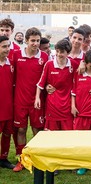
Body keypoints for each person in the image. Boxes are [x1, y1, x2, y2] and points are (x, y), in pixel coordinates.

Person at [12, 27, 48, 172]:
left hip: (37, 101)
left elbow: (47, 77)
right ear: (26, 41)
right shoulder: (16, 55)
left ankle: (37, 159)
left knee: (37, 130)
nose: (35, 43)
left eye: (38, 41)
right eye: (32, 40)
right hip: (20, 100)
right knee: (21, 129)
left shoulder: (44, 57)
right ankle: (22, 159)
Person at [71, 50, 91, 175]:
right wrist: (73, 106)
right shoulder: (78, 73)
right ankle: (83, 164)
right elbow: (73, 91)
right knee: (81, 140)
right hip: (81, 112)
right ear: (85, 63)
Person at [35, 39, 78, 131]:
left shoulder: (74, 65)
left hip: (67, 106)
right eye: (57, 51)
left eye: (62, 52)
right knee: (52, 137)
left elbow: (77, 85)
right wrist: (37, 98)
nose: (58, 54)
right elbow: (40, 84)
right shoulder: (49, 64)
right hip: (52, 106)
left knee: (67, 137)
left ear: (68, 52)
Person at [0, 36, 15, 169]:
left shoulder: (11, 64)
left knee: (7, 134)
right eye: (4, 46)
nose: (7, 49)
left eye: (8, 46)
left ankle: (3, 158)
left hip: (9, 107)